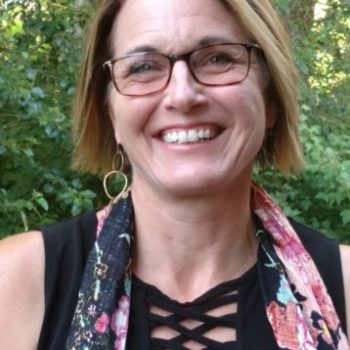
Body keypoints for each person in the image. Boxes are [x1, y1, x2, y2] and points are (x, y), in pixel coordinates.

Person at [0, 0, 349, 349]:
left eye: (217, 58)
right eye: (142, 67)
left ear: (270, 100)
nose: (182, 96)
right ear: (109, 114)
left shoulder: (345, 285)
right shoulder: (15, 283)